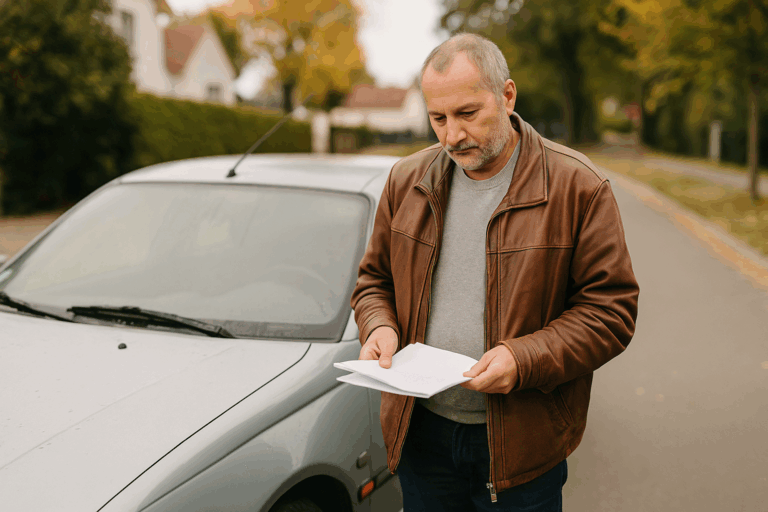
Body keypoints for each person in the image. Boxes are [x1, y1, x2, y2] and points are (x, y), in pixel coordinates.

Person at [350, 33, 639, 512]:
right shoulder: (407, 181)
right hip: (421, 434)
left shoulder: (578, 186)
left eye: (467, 114)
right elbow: (374, 281)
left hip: (521, 443)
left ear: (507, 96)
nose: (451, 136)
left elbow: (610, 314)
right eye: (437, 118)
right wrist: (378, 324)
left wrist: (522, 358)